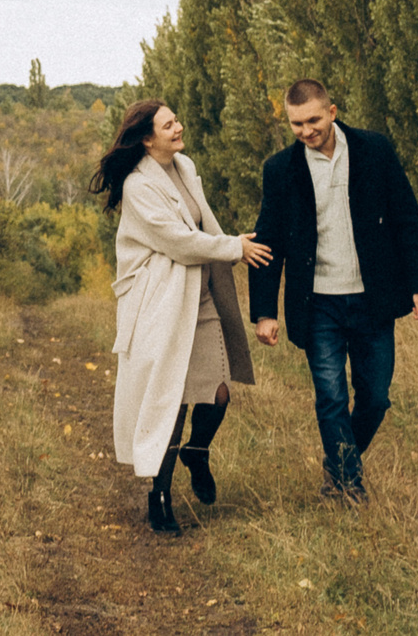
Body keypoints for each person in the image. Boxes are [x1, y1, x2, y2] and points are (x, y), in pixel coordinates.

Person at [247, 79, 418, 502]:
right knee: (331, 396)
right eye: (296, 124)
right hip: (318, 304)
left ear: (332, 112)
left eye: (313, 120)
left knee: (376, 397)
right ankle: (350, 484)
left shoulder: (374, 150)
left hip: (372, 299)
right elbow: (268, 241)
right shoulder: (280, 170)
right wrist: (264, 312)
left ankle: (336, 463)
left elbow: (406, 217)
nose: (306, 131)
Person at [93, 99, 273, 534]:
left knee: (218, 394)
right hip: (162, 302)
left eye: (176, 120)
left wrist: (231, 244)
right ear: (146, 138)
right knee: (169, 399)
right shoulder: (138, 186)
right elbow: (177, 241)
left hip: (201, 295)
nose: (178, 127)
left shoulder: (185, 166)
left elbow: (201, 225)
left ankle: (197, 451)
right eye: (168, 124)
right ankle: (160, 495)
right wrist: (234, 247)